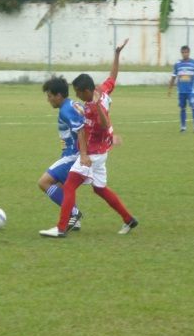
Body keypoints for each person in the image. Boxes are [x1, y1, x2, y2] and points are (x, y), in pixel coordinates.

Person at [40, 39, 137, 237]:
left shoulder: (93, 107)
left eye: (77, 93)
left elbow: (99, 124)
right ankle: (129, 219)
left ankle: (61, 229)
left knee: (69, 186)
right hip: (102, 151)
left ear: (86, 91)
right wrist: (117, 55)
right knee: (100, 189)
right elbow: (113, 76)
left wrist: (84, 153)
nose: (76, 96)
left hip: (92, 153)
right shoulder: (102, 90)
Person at [38, 76, 85, 231]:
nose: (48, 100)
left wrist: (83, 154)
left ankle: (74, 212)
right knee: (61, 186)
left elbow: (80, 130)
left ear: (59, 96)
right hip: (72, 153)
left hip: (73, 155)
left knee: (44, 182)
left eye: (50, 96)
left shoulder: (66, 110)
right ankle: (74, 220)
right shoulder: (74, 104)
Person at [168, 45, 194, 133]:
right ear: (181, 53)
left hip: (192, 90)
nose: (185, 54)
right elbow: (173, 77)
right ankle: (183, 127)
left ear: (189, 52)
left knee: (193, 107)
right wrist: (170, 89)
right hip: (181, 91)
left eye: (186, 52)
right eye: (183, 52)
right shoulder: (177, 64)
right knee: (182, 108)